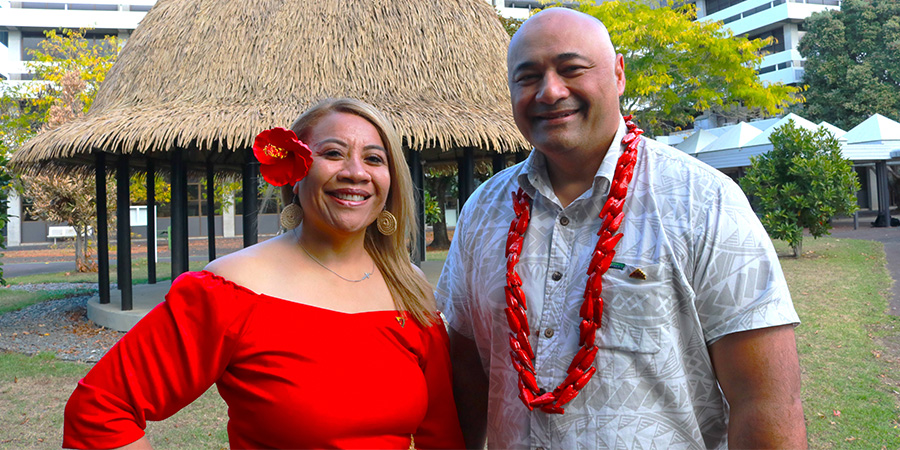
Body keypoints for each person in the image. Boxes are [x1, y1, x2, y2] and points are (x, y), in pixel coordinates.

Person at [436, 8, 806, 449]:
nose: (550, 91)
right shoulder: (482, 210)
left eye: (572, 69)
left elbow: (765, 403)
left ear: (618, 74)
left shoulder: (704, 201)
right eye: (528, 77)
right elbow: (467, 370)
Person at [63, 98, 465, 449]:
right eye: (333, 153)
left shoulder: (408, 287)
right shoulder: (231, 289)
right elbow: (99, 409)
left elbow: (442, 435)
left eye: (374, 159)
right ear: (294, 171)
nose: (356, 172)